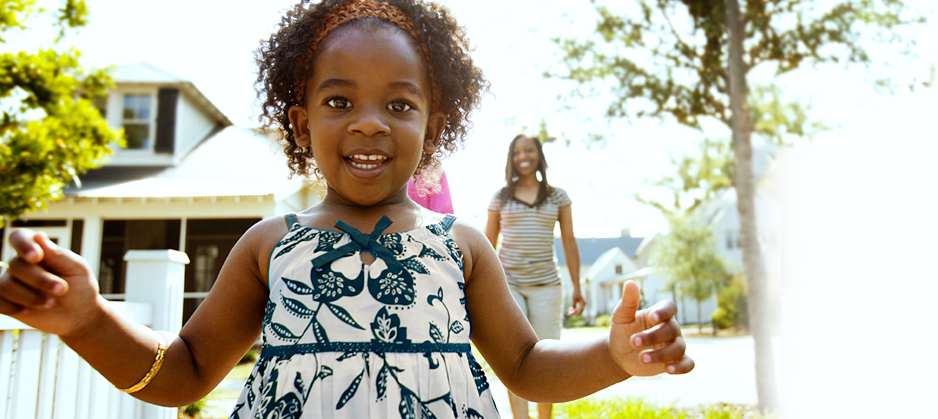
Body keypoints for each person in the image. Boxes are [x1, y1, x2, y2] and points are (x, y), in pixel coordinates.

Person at [0, 1, 694, 418]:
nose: (368, 122)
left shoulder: (461, 246)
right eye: (339, 101)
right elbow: (184, 370)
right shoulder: (268, 245)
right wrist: (88, 321)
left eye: (399, 104)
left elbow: (528, 366)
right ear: (301, 124)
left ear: (433, 126)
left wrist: (614, 355)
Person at [485, 134, 585, 419]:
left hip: (547, 285)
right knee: (514, 358)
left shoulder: (557, 196)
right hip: (509, 285)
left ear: (539, 155)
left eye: (528, 150)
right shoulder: (500, 197)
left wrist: (577, 287)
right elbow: (487, 244)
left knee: (547, 359)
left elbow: (569, 242)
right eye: (517, 152)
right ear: (511, 159)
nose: (523, 157)